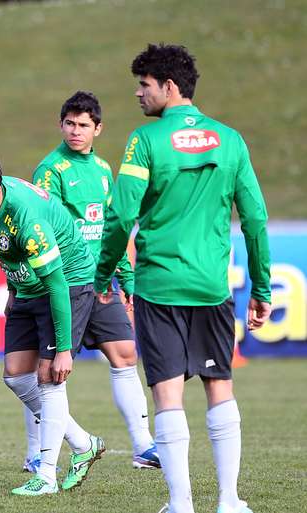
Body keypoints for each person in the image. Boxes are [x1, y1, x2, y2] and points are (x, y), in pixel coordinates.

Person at [94, 44, 271, 513]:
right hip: (212, 288)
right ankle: (229, 501)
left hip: (159, 288)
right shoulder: (231, 140)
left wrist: (103, 271)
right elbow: (254, 219)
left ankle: (181, 504)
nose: (138, 93)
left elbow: (119, 215)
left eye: (144, 84)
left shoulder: (145, 141)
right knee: (220, 387)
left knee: (167, 392)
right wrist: (262, 288)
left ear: (168, 87)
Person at [0, 147, 105, 496]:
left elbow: (57, 283)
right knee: (17, 376)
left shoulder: (26, 218)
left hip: (67, 281)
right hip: (27, 284)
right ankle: (84, 444)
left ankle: (46, 476)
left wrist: (64, 349)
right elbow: (5, 250)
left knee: (50, 377)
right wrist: (11, 290)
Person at [22, 91, 159, 472]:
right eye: (69, 123)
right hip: (63, 283)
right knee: (48, 369)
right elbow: (38, 229)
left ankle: (143, 446)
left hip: (100, 282)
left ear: (98, 128)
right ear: (60, 124)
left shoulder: (102, 169)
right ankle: (36, 453)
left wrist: (125, 276)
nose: (75, 131)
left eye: (83, 125)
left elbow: (110, 231)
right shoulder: (50, 170)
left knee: (125, 354)